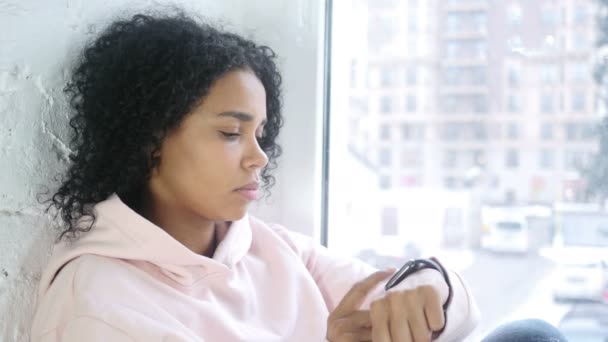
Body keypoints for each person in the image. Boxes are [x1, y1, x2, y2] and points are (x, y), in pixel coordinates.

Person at [30, 11, 567, 342]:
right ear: (149, 137)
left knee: (534, 335)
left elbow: (431, 302)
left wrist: (428, 286)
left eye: (261, 133)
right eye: (230, 133)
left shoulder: (264, 247)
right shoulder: (101, 307)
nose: (259, 157)